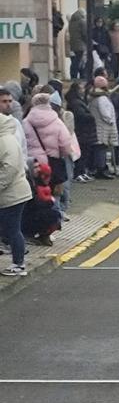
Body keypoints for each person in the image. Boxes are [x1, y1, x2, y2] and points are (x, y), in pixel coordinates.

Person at [0, 89, 32, 277]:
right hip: (14, 191)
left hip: (12, 193)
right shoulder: (8, 136)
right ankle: (18, 261)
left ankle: (19, 263)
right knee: (11, 229)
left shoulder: (5, 140)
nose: (8, 104)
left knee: (12, 229)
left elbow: (10, 167)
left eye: (9, 101)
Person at [87, 76, 118, 179]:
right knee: (101, 148)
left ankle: (98, 168)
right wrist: (111, 121)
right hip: (103, 128)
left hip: (96, 127)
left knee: (98, 148)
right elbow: (106, 114)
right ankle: (101, 169)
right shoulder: (102, 99)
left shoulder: (93, 98)